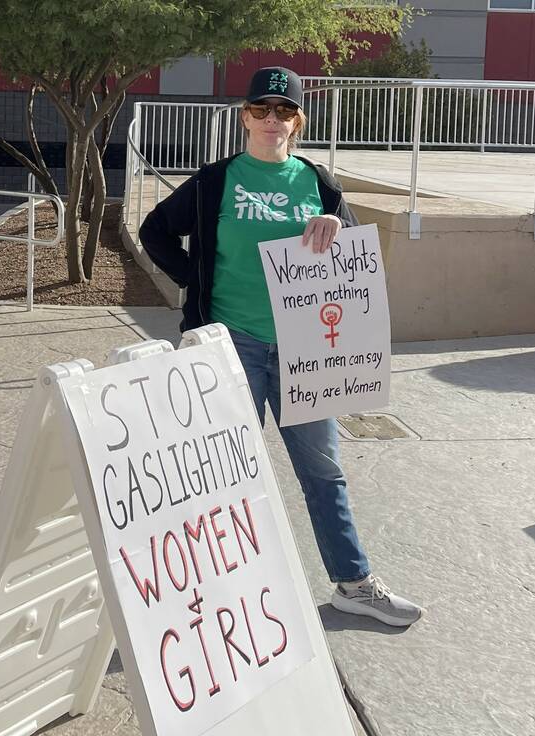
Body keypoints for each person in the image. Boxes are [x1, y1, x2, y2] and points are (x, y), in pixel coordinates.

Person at [139, 66, 423, 629]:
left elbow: (350, 259)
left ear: (299, 121)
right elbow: (155, 232)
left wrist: (334, 223)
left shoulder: (318, 184)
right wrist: (197, 281)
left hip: (307, 352)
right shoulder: (218, 180)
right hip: (231, 345)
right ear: (245, 116)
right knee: (219, 474)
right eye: (262, 110)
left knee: (323, 472)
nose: (273, 120)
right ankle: (205, 595)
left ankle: (352, 581)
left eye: (284, 111)